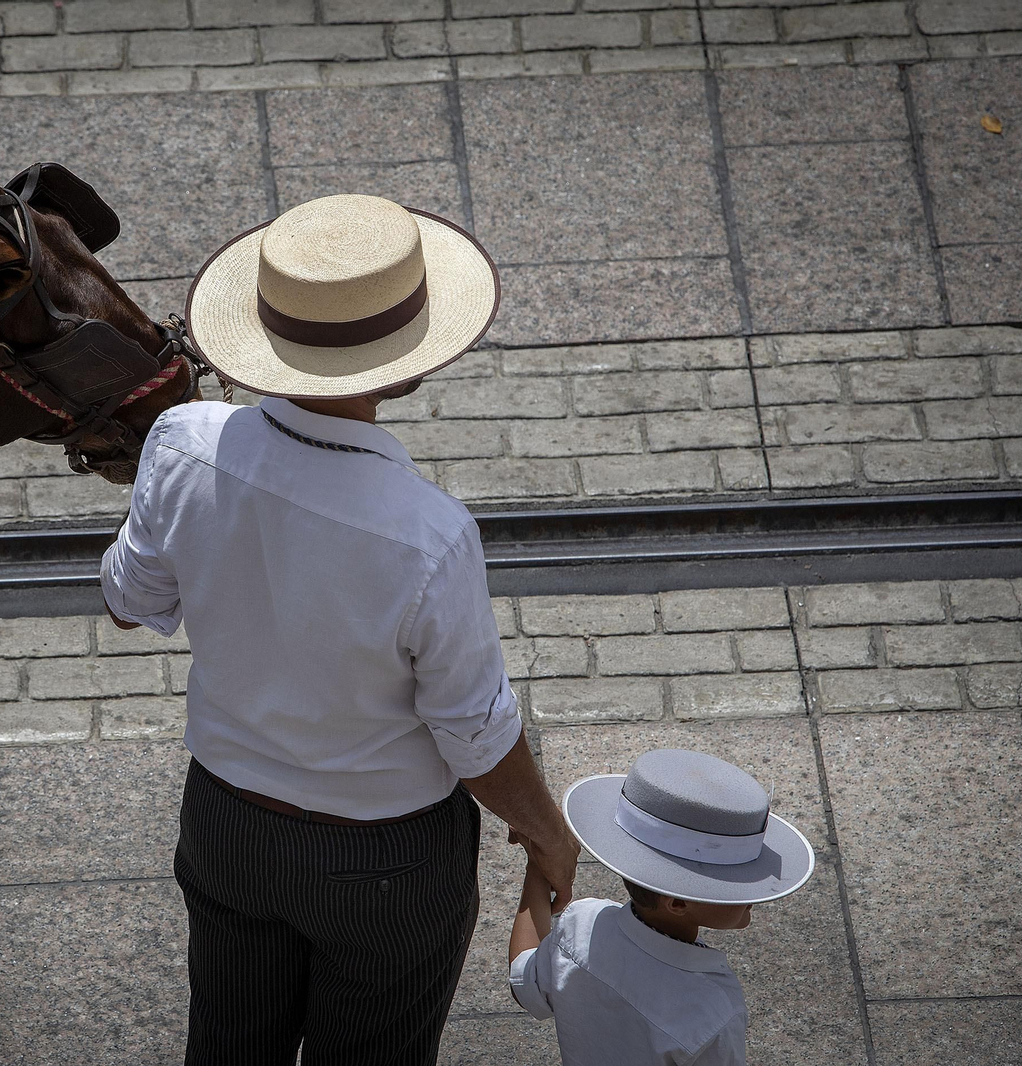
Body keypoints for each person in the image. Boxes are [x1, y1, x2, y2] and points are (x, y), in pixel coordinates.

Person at [99, 194, 579, 1065]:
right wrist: (547, 831)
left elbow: (131, 605)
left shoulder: (178, 443)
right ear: (402, 366)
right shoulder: (430, 535)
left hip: (226, 825)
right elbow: (473, 735)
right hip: (387, 859)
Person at [508, 748, 817, 1066]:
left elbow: (523, 981)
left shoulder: (580, 926)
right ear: (678, 902)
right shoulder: (714, 1011)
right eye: (736, 883)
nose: (755, 893)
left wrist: (538, 865)